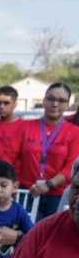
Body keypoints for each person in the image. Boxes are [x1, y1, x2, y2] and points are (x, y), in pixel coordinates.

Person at [8, 82, 79, 220]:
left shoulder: (75, 132)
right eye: (51, 99)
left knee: (51, 235)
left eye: (61, 101)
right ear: (44, 100)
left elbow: (71, 167)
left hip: (57, 195)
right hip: (27, 192)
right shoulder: (25, 126)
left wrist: (49, 184)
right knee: (26, 235)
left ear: (67, 105)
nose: (55, 104)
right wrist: (11, 183)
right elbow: (10, 157)